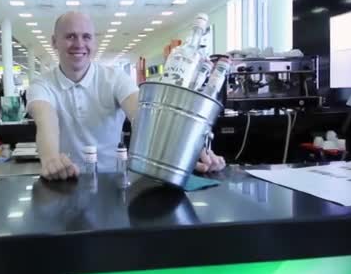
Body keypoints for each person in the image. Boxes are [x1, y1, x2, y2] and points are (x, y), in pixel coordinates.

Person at [27, 12, 225, 180]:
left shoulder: (114, 78)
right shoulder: (41, 84)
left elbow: (146, 118)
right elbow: (46, 121)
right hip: (64, 180)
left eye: (86, 37)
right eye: (70, 36)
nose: (79, 44)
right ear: (54, 42)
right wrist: (50, 159)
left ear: (94, 41)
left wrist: (190, 147)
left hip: (112, 181)